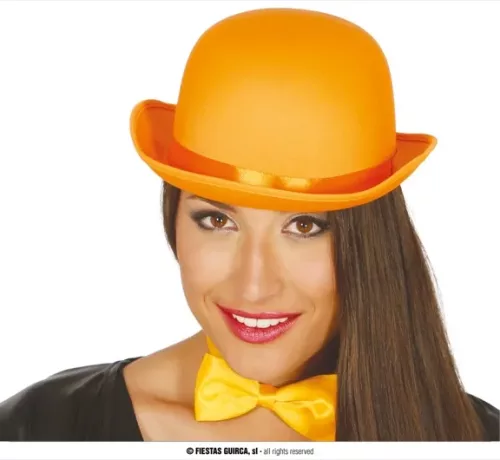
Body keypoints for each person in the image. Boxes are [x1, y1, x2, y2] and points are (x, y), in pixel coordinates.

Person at [0, 8, 498, 442]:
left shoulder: (476, 436)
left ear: (372, 244)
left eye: (304, 226)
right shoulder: (41, 428)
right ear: (173, 218)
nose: (254, 287)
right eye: (217, 219)